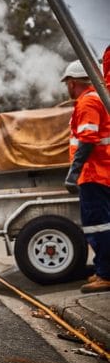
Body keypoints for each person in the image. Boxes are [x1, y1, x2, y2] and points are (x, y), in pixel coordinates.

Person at [61, 59, 110, 293]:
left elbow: (88, 139)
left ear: (72, 83)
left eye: (67, 84)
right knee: (101, 225)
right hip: (99, 173)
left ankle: (105, 275)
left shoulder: (88, 102)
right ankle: (103, 270)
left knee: (98, 226)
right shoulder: (95, 98)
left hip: (94, 174)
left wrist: (73, 174)